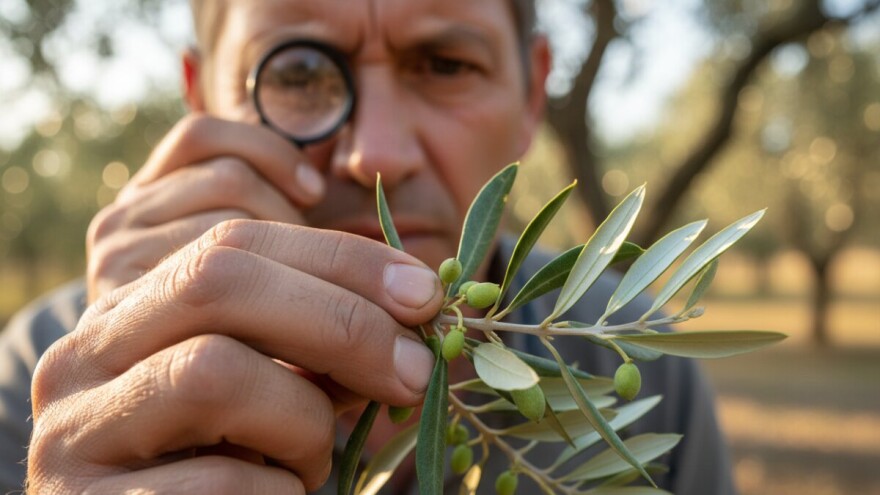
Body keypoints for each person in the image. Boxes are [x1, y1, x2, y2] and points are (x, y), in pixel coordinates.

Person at [0, 0, 736, 493]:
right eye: (297, 74)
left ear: (532, 98)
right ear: (202, 98)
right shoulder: (43, 375)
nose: (375, 156)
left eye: (446, 65)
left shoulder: (633, 360)